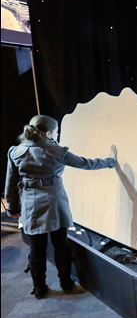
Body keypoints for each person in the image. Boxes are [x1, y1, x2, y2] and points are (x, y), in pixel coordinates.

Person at [4, 114, 117, 299]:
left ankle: (39, 288)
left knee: (36, 248)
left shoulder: (15, 152)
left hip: (30, 205)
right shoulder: (57, 151)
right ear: (48, 133)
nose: (57, 136)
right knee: (60, 245)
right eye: (56, 133)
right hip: (55, 203)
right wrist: (109, 162)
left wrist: (12, 207)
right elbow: (85, 163)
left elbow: (10, 183)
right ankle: (66, 283)